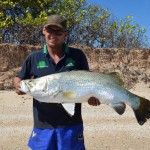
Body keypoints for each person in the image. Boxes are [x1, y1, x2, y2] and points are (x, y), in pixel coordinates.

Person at [14, 14, 100, 150]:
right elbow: (19, 77)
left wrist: (93, 97)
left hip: (71, 125)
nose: (53, 35)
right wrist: (19, 85)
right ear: (43, 30)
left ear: (65, 35)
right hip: (42, 125)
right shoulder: (33, 57)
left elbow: (89, 81)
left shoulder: (77, 55)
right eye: (50, 31)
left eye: (58, 32)